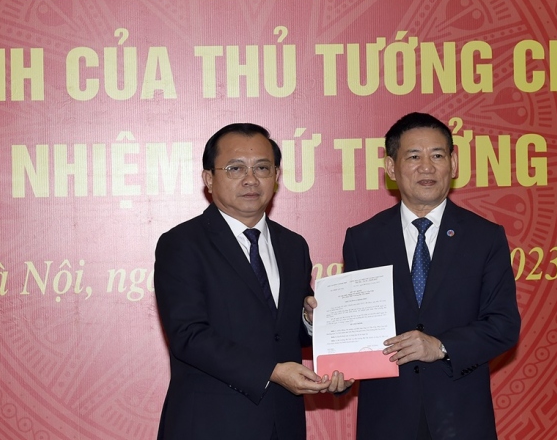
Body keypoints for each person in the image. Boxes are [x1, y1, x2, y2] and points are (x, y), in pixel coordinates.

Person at [307, 112, 521, 439]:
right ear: (391, 168)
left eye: (437, 155)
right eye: (413, 157)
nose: (427, 167)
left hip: (461, 419)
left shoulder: (485, 237)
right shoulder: (363, 238)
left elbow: (503, 326)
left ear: (453, 163)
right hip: (386, 420)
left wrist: (441, 346)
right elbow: (356, 326)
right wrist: (339, 362)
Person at [154, 123, 347, 440]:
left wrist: (311, 321)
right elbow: (188, 335)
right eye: (235, 168)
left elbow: (284, 331)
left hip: (283, 424)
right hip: (210, 425)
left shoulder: (293, 245)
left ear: (276, 176)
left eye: (262, 168)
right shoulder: (182, 243)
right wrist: (273, 372)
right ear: (209, 179)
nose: (250, 179)